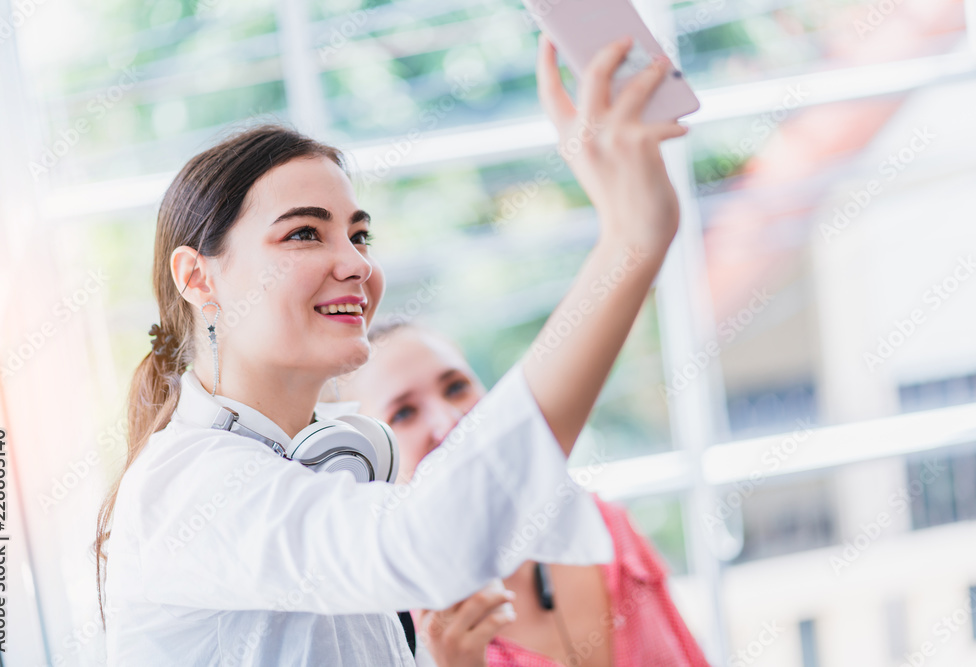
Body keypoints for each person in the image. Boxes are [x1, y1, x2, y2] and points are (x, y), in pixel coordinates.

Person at [94, 33, 689, 665]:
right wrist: (629, 244)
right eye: (303, 233)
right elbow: (429, 543)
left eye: (359, 234)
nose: (354, 264)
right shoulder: (187, 486)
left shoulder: (314, 474)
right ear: (198, 278)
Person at [340, 321, 712, 667]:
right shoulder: (398, 635)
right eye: (404, 413)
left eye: (456, 387)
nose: (449, 422)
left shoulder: (605, 527)